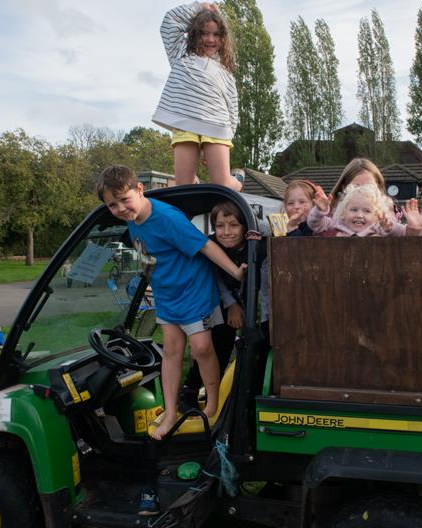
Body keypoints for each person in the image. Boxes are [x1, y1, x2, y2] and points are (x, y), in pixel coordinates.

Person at [94, 165, 245, 441]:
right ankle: (171, 411)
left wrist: (235, 272)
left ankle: (212, 405)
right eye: (112, 205)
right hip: (167, 293)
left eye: (124, 200)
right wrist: (149, 280)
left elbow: (204, 246)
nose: (120, 208)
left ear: (139, 190)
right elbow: (147, 253)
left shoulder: (166, 217)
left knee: (201, 348)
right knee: (172, 350)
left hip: (193, 289)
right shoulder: (132, 219)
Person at [180, 200, 269, 410]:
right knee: (218, 340)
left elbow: (261, 284)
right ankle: (192, 389)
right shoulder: (212, 246)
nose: (226, 232)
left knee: (256, 343)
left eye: (234, 225)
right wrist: (231, 305)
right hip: (220, 297)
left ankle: (247, 389)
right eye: (220, 226)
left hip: (254, 298)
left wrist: (249, 311)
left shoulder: (257, 246)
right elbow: (214, 277)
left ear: (246, 226)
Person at [152, 2, 241, 191]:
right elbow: (169, 22)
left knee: (222, 183)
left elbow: (233, 105)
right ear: (194, 34)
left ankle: (238, 181)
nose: (210, 39)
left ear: (223, 38)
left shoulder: (225, 70)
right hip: (186, 122)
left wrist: (230, 133)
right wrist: (199, 7)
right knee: (183, 185)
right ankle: (196, 190)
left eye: (216, 34)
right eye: (204, 33)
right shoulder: (182, 53)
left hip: (217, 125)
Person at [308, 182, 405, 237]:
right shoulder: (336, 224)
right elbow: (315, 224)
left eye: (367, 211)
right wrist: (319, 211)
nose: (359, 215)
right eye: (354, 210)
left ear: (376, 215)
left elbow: (402, 232)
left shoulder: (377, 228)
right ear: (343, 212)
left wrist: (390, 227)